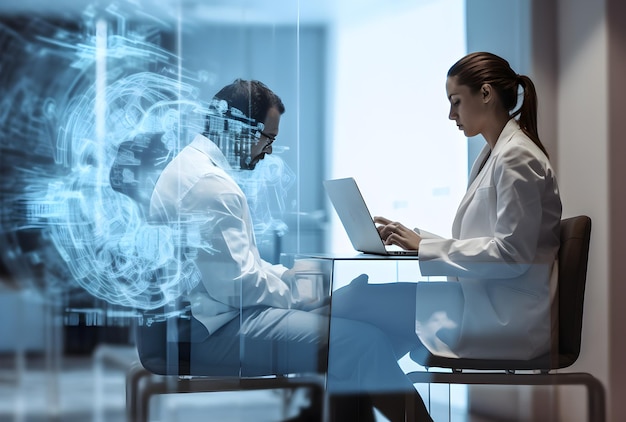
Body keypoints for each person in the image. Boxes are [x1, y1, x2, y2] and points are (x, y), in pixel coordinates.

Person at [148, 79, 433, 421]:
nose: (268, 150)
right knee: (360, 342)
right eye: (268, 138)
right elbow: (238, 286)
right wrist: (301, 294)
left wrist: (288, 278)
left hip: (201, 319)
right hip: (203, 333)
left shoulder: (194, 168)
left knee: (353, 338)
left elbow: (238, 269)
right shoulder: (210, 186)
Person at [332, 51, 562, 369]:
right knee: (364, 341)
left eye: (455, 101)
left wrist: (426, 248)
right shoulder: (494, 154)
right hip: (484, 301)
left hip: (506, 318)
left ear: (485, 93)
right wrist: (419, 240)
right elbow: (495, 246)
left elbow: (513, 255)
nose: (451, 115)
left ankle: (286, 311)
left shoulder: (517, 157)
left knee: (354, 302)